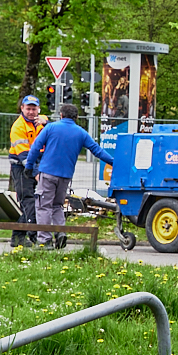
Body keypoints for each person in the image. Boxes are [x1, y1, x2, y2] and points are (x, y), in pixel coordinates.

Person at [25, 103, 114, 249]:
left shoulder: (50, 128)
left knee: (43, 206)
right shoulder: (81, 133)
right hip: (65, 176)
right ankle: (61, 233)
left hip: (47, 173)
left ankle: (45, 240)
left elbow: (35, 147)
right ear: (76, 117)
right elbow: (97, 151)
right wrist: (114, 162)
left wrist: (29, 166)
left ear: (61, 115)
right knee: (57, 205)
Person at [8, 95, 48, 248]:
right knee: (28, 201)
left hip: (37, 164)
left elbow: (54, 130)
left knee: (34, 202)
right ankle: (35, 236)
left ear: (38, 109)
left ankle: (18, 237)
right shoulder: (18, 127)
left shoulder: (42, 121)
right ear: (22, 108)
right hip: (21, 166)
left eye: (34, 109)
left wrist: (47, 123)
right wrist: (36, 173)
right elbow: (24, 156)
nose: (31, 112)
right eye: (28, 108)